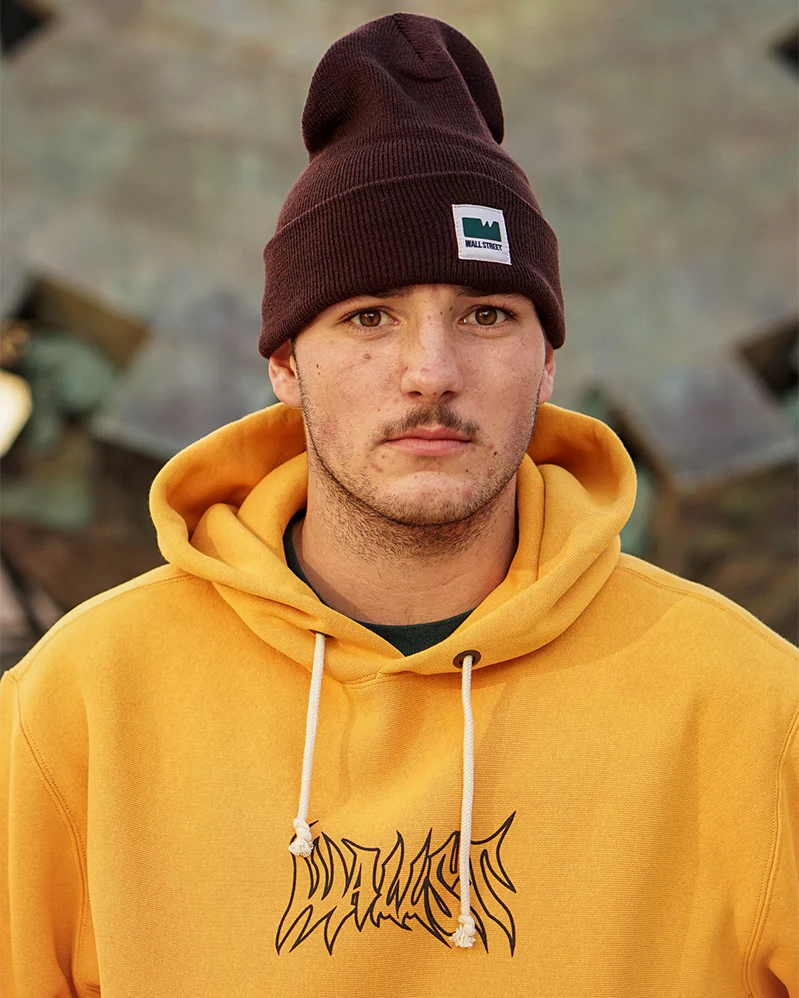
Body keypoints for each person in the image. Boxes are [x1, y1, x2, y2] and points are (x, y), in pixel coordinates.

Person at [2, 12, 797, 997]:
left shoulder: (749, 707)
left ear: (547, 362)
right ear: (285, 364)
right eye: (368, 316)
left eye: (486, 315)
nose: (430, 370)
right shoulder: (78, 703)